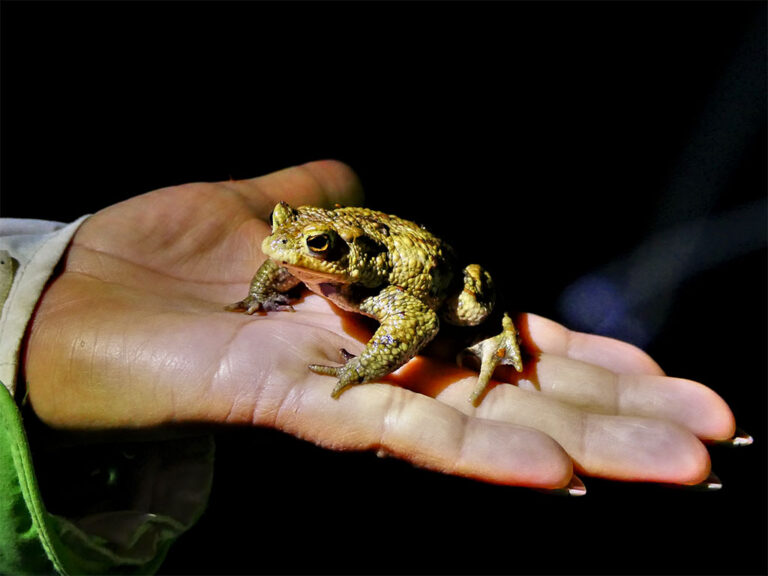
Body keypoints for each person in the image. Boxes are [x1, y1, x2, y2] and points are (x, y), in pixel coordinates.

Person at [0, 160, 747, 574]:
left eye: (316, 251)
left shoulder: (384, 282)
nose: (289, 251)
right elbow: (279, 259)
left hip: (435, 277)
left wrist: (367, 365)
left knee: (467, 309)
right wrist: (262, 292)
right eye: (290, 239)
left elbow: (419, 319)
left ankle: (498, 341)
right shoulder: (296, 247)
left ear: (348, 257)